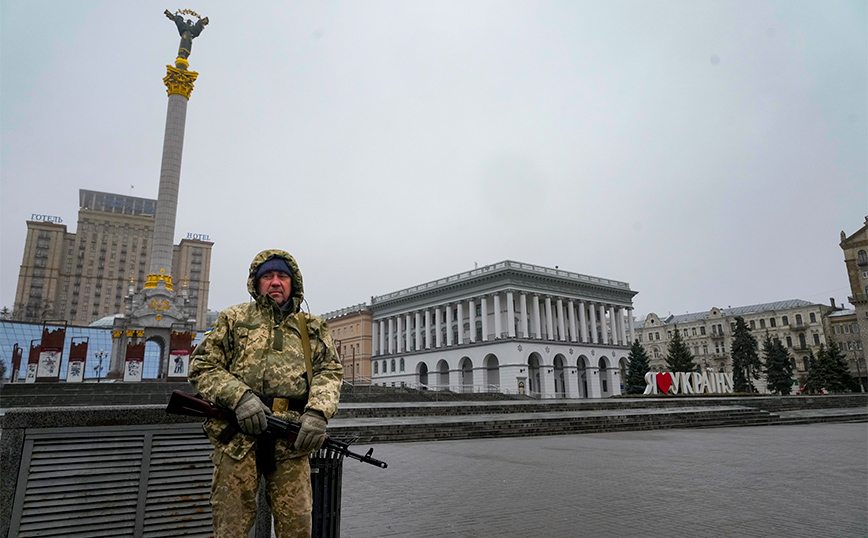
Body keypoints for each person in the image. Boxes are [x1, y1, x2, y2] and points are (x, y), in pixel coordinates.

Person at [189, 249, 343, 538]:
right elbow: (202, 366)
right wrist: (240, 398)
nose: (275, 282)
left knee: (297, 528)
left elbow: (330, 371)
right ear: (256, 283)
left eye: (282, 276)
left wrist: (318, 413)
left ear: (293, 283)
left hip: (290, 443)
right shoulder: (233, 319)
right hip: (237, 440)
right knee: (229, 529)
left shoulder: (312, 326)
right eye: (267, 276)